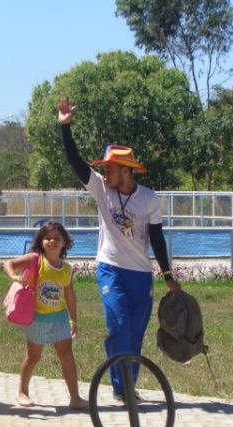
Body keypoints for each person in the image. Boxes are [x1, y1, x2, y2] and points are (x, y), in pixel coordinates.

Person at [58, 99, 180, 402]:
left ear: (126, 170)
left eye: (110, 168)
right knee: (119, 326)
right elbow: (76, 163)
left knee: (136, 333)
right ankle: (118, 384)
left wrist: (167, 276)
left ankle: (128, 386)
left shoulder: (149, 199)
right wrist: (65, 128)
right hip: (110, 269)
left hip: (140, 274)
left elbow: (157, 239)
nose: (106, 173)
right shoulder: (101, 189)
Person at [3, 221, 88, 410]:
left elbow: (70, 295)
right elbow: (8, 263)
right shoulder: (36, 259)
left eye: (57, 238)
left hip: (59, 317)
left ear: (64, 242)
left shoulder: (66, 269)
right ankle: (22, 391)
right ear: (41, 241)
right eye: (48, 237)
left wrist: (74, 319)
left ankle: (75, 397)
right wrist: (13, 276)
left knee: (67, 356)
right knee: (34, 357)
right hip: (37, 317)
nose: (52, 241)